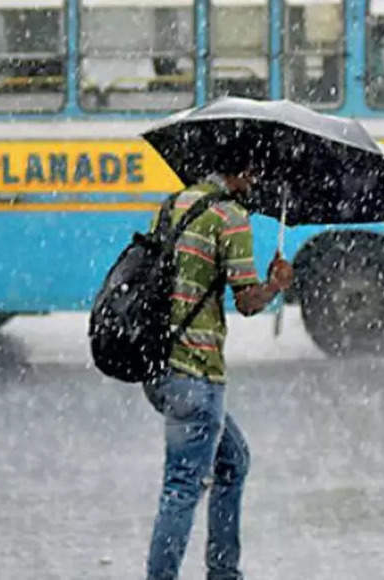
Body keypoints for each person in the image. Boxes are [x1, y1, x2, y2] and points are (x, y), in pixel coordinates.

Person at [142, 150, 293, 580]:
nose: (258, 179)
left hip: (158, 367)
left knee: (234, 460)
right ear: (242, 170)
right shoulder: (230, 218)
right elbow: (247, 302)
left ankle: (224, 573)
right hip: (196, 369)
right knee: (183, 485)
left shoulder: (174, 205)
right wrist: (275, 285)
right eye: (256, 170)